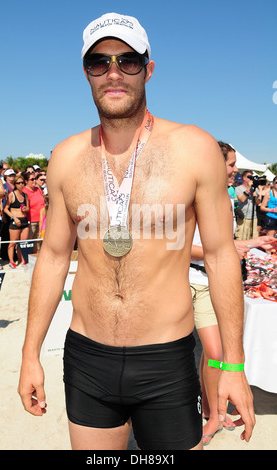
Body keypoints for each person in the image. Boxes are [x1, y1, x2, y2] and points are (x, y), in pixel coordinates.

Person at [18, 13, 255, 450]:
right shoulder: (66, 158)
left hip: (166, 359)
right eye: (99, 61)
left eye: (127, 61)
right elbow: (52, 257)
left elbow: (222, 256)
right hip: (88, 356)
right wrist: (30, 353)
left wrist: (234, 366)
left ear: (148, 68)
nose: (113, 72)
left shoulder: (194, 148)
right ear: (85, 71)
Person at [191, 142, 276, 445]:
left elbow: (223, 247)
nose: (237, 171)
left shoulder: (223, 200)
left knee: (213, 353)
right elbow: (181, 247)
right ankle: (211, 408)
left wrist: (251, 244)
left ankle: (213, 412)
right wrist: (243, 246)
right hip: (188, 280)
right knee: (208, 354)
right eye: (230, 165)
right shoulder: (191, 196)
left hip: (208, 283)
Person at [3, 174, 30, 268]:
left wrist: (26, 209)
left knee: (23, 243)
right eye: (19, 183)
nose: (21, 185)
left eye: (22, 183)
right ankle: (11, 261)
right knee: (13, 242)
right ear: (15, 184)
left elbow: (28, 208)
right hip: (15, 220)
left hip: (24, 220)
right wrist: (14, 217)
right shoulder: (12, 195)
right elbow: (6, 209)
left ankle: (22, 260)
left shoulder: (25, 195)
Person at [22, 171, 45, 253]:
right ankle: (25, 258)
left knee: (38, 242)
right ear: (26, 181)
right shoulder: (24, 192)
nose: (34, 181)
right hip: (31, 221)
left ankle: (35, 258)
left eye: (35, 179)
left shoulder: (38, 189)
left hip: (42, 220)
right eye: (32, 179)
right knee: (29, 241)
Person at [235, 170, 258, 240]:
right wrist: (249, 188)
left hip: (254, 217)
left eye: (252, 177)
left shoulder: (255, 189)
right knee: (242, 238)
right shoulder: (238, 188)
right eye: (249, 177)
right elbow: (242, 199)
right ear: (244, 178)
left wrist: (256, 197)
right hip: (243, 218)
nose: (251, 179)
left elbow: (258, 203)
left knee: (253, 239)